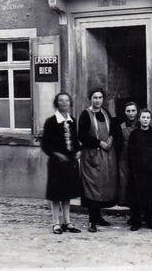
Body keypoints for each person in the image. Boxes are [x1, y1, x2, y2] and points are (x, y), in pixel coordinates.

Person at [78, 88, 118, 232]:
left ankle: (98, 216)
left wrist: (111, 138)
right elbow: (82, 135)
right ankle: (92, 220)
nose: (97, 100)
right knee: (92, 187)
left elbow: (113, 128)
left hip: (106, 154)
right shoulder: (85, 114)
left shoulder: (105, 113)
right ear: (90, 99)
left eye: (100, 97)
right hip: (92, 155)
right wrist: (99, 143)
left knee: (102, 186)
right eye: (95, 97)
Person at [41, 92, 81, 234]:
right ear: (56, 103)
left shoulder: (72, 120)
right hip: (56, 164)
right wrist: (57, 155)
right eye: (61, 101)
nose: (64, 103)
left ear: (70, 103)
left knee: (67, 193)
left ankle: (67, 222)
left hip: (70, 163)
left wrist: (78, 151)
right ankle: (56, 223)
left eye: (66, 101)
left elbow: (75, 140)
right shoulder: (51, 122)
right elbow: (45, 145)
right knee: (56, 194)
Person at [127, 109, 152, 230]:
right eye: (143, 117)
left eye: (148, 118)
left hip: (151, 171)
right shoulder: (134, 134)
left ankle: (150, 220)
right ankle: (136, 221)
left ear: (150, 119)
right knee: (136, 197)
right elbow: (130, 152)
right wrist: (132, 168)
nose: (145, 120)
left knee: (150, 197)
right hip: (137, 171)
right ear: (139, 119)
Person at [116, 102, 139, 209]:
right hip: (124, 156)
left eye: (133, 110)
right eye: (128, 111)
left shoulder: (141, 124)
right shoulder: (121, 126)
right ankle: (124, 201)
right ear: (125, 112)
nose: (131, 113)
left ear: (137, 111)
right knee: (124, 179)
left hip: (137, 155)